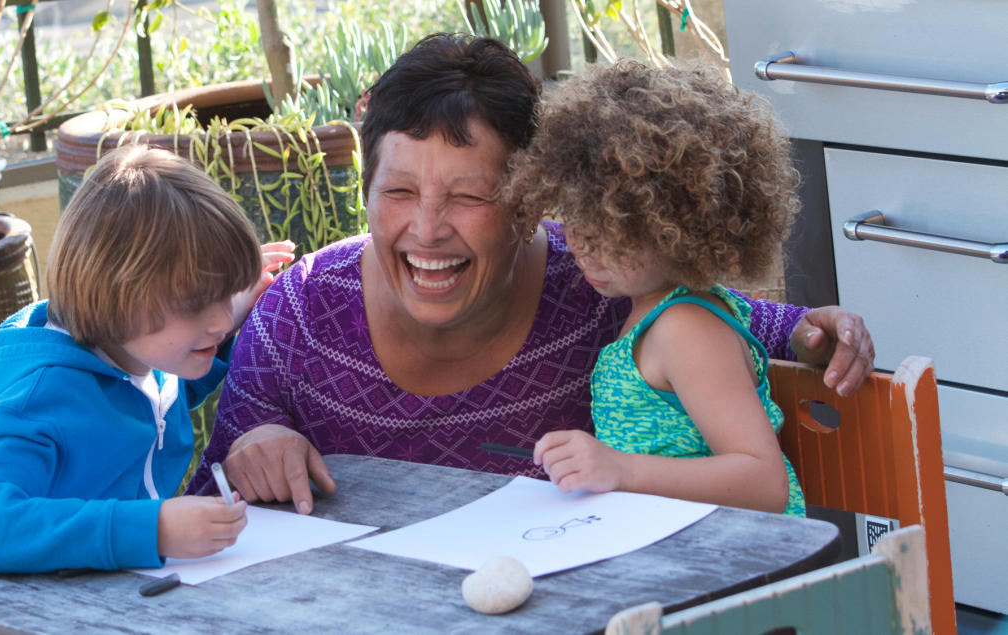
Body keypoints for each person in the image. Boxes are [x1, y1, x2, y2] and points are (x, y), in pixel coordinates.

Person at [186, 34, 875, 514]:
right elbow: (210, 501)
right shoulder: (299, 315)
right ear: (363, 191)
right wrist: (253, 447)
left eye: (468, 196)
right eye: (398, 193)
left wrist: (818, 334)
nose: (426, 230)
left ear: (528, 204)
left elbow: (743, 322)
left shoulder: (605, 278)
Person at [0, 145, 295, 573]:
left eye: (226, 295)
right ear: (120, 300)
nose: (221, 318)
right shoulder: (40, 399)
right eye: (198, 304)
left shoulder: (134, 353)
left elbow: (154, 399)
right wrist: (152, 530)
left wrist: (227, 318)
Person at [507, 61, 805, 514]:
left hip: (742, 563)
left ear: (680, 227)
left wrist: (622, 470)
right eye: (577, 216)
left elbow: (764, 483)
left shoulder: (686, 327)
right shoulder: (653, 313)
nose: (585, 246)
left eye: (616, 227)